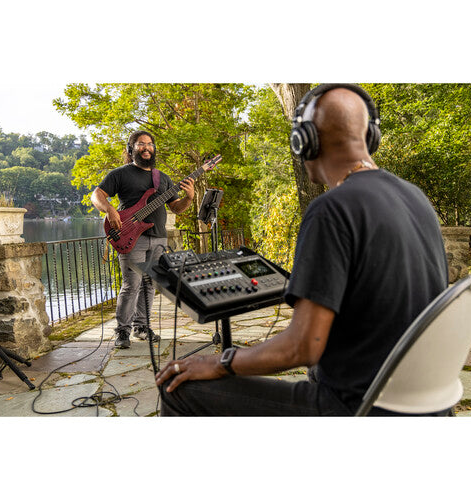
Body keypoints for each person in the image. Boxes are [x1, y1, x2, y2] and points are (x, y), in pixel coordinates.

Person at [155, 84, 449, 416]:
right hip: (424, 405)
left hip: (354, 407)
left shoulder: (332, 209)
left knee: (178, 389)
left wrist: (222, 360)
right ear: (370, 136)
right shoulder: (415, 197)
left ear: (304, 141)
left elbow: (303, 347)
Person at [91, 130, 195, 348]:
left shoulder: (162, 178)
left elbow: (176, 207)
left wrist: (189, 198)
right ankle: (122, 331)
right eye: (140, 144)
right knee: (131, 284)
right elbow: (97, 195)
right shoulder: (120, 174)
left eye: (149, 144)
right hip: (131, 236)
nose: (146, 148)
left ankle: (142, 327)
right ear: (131, 149)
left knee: (149, 283)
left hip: (158, 237)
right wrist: (109, 209)